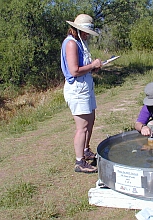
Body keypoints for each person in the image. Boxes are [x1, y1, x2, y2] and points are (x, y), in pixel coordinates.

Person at [61, 14, 102, 173]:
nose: (87, 35)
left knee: (90, 120)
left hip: (85, 87)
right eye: (85, 32)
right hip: (77, 90)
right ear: (77, 29)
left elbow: (83, 66)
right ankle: (79, 162)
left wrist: (94, 67)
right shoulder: (71, 43)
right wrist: (92, 65)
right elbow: (74, 70)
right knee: (82, 127)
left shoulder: (79, 42)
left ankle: (85, 150)